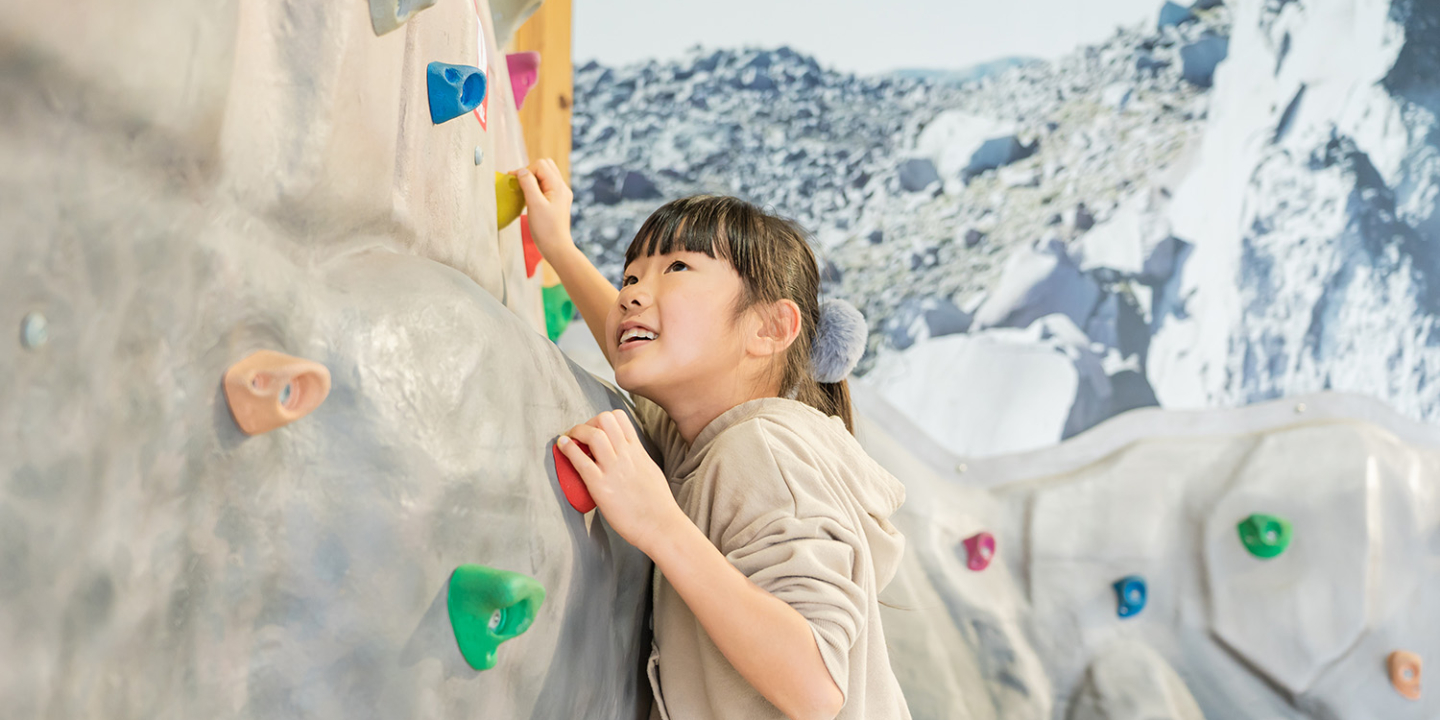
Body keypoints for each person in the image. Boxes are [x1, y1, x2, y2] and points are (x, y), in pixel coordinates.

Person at [516, 158, 911, 720]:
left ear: (769, 328)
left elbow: (818, 684)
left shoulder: (760, 449)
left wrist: (658, 525)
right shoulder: (702, 436)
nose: (630, 294)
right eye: (630, 276)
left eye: (676, 267)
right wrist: (559, 247)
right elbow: (641, 340)